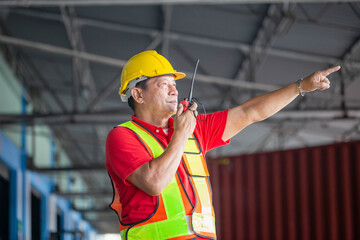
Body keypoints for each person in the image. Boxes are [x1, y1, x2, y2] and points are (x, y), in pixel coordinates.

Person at [106, 50, 340, 240]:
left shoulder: (194, 128)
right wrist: (181, 133)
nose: (174, 89)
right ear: (138, 94)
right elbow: (154, 182)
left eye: (173, 83)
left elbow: (250, 112)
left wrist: (300, 86)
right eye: (162, 83)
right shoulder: (123, 137)